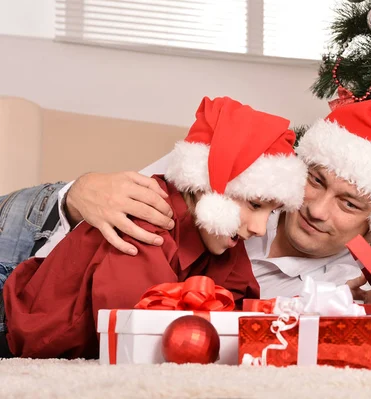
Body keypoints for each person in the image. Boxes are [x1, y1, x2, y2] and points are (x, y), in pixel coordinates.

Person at [0, 99, 371, 359]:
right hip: (30, 238)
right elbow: (117, 297)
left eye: (349, 204)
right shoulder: (235, 175)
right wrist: (73, 193)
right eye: (314, 181)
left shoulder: (359, 271)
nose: (316, 209)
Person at [0, 96, 308, 359]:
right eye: (254, 205)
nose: (259, 228)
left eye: (272, 213)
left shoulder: (222, 240)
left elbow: (243, 313)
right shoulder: (147, 218)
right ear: (206, 187)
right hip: (10, 327)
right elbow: (142, 340)